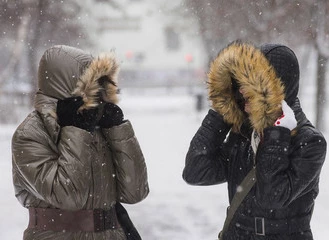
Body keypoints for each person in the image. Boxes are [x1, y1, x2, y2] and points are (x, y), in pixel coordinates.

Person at [182, 41, 326, 240]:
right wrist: (221, 114)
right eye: (239, 82)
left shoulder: (309, 142)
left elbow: (271, 197)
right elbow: (196, 172)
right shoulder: (243, 134)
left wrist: (276, 135)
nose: (241, 90)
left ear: (275, 88)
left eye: (249, 82)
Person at [12, 45, 149, 240]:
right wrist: (75, 131)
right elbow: (68, 196)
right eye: (93, 84)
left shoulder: (98, 126)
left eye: (102, 85)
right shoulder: (31, 134)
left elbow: (136, 191)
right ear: (69, 85)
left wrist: (117, 130)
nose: (99, 93)